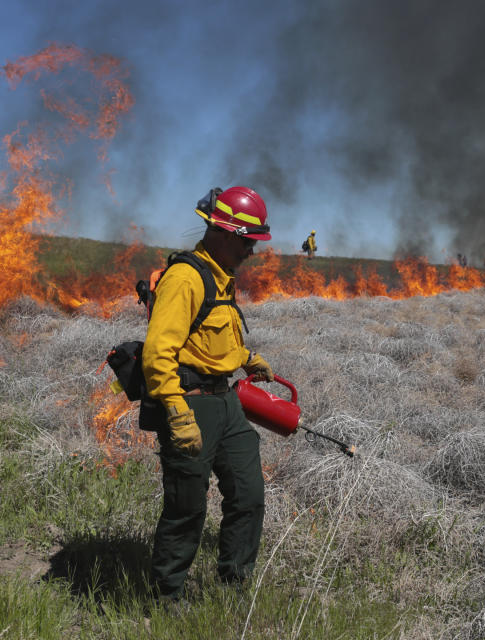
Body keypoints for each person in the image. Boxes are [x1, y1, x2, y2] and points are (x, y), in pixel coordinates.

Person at [141, 185, 275, 601]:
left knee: (249, 494)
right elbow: (158, 353)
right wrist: (177, 413)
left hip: (225, 402)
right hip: (190, 402)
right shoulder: (186, 277)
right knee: (187, 508)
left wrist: (245, 356)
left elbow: (210, 336)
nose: (252, 250)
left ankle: (235, 585)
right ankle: (165, 598)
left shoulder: (223, 276)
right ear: (223, 233)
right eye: (247, 241)